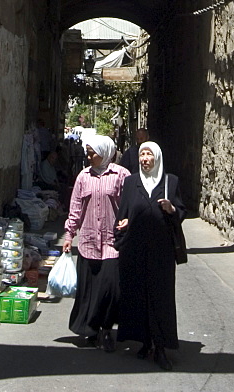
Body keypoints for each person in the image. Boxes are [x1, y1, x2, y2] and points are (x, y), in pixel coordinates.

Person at [115, 141, 186, 371]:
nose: (145, 159)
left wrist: (171, 209)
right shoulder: (130, 182)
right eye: (142, 155)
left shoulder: (170, 182)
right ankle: (144, 342)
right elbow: (123, 213)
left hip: (161, 251)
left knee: (161, 296)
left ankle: (162, 346)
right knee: (138, 294)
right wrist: (123, 223)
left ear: (157, 157)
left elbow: (181, 211)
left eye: (149, 155)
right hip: (135, 249)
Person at [63, 136, 129, 352]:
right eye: (88, 153)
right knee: (89, 290)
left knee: (110, 289)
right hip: (89, 241)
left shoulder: (121, 175)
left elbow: (129, 205)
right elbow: (76, 207)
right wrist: (69, 235)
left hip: (112, 241)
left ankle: (108, 329)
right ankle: (91, 330)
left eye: (94, 153)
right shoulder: (83, 176)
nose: (90, 157)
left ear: (106, 152)